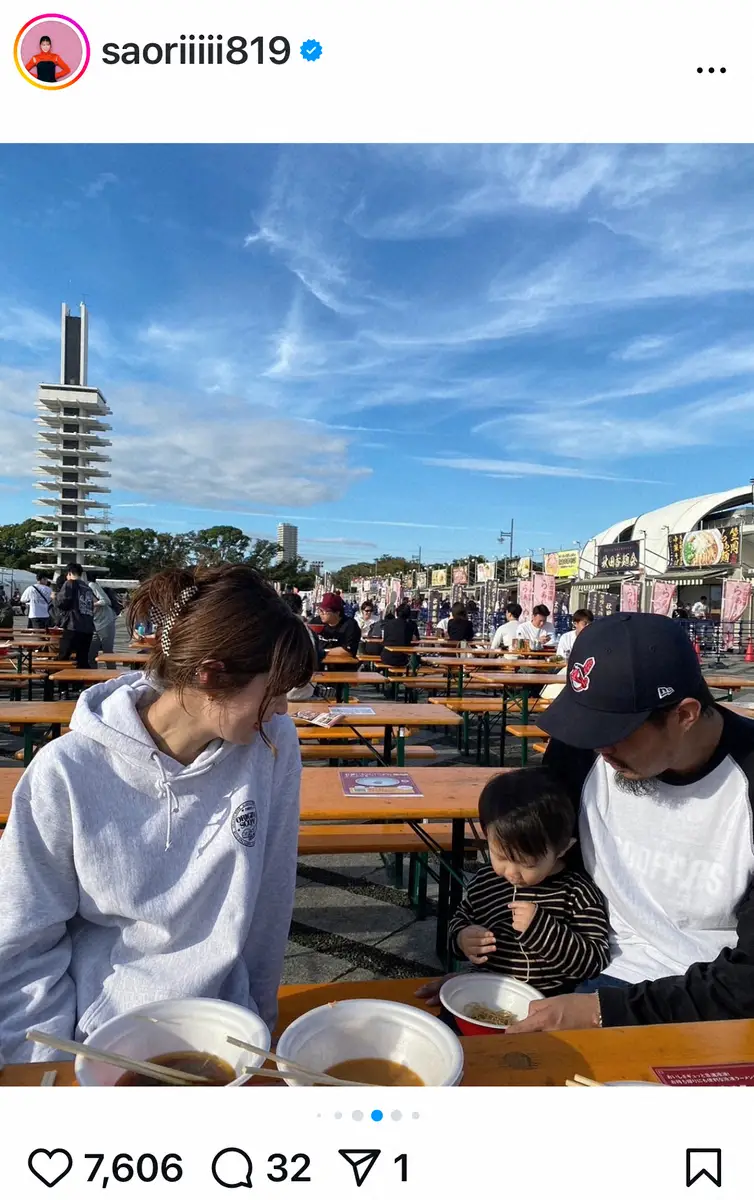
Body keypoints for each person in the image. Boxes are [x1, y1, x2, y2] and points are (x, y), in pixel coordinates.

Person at [0, 564, 315, 1063]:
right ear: (211, 675)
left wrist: (259, 1020)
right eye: (273, 690)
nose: (282, 709)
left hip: (226, 1027)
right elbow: (22, 936)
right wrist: (43, 1065)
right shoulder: (66, 770)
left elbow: (270, 897)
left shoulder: (271, 743)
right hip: (101, 1037)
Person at [449, 769, 609, 994]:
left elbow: (594, 962)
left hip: (551, 999)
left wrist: (542, 930)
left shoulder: (576, 892)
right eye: (501, 857)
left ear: (562, 849)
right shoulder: (486, 881)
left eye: (528, 864)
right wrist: (461, 939)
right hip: (487, 993)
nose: (512, 872)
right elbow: (459, 920)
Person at [281, 591, 321, 699]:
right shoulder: (309, 632)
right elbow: (318, 660)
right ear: (300, 609)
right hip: (306, 691)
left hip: (280, 693)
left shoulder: (275, 629)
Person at [56, 563, 96, 669]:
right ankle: (80, 679)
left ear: (69, 573)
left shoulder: (69, 583)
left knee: (63, 657)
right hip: (88, 628)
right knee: (82, 660)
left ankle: (61, 680)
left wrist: (55, 597)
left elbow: (63, 603)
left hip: (73, 625)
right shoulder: (88, 588)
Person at [86, 571, 117, 664]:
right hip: (94, 625)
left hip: (105, 621)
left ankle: (111, 672)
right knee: (91, 653)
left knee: (107, 652)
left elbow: (106, 600)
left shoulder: (91, 585)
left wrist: (93, 604)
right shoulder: (78, 588)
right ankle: (92, 673)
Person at [316, 592, 361, 657]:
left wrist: (322, 652)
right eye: (320, 610)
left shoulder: (350, 625)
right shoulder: (316, 621)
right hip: (318, 661)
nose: (321, 613)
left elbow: (348, 651)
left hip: (341, 662)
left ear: (337, 612)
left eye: (325, 611)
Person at [381, 600, 419, 668]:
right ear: (409, 614)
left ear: (396, 613)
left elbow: (384, 639)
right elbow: (416, 641)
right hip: (402, 658)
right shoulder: (410, 625)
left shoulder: (388, 623)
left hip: (386, 657)